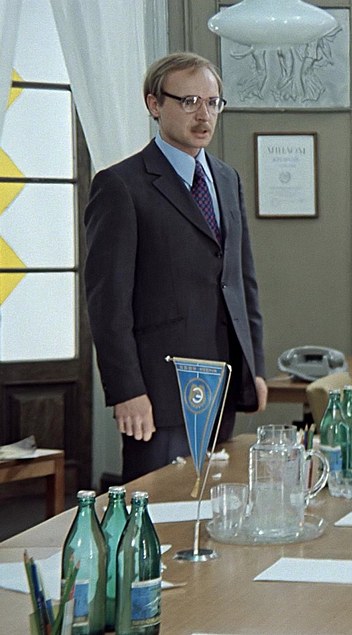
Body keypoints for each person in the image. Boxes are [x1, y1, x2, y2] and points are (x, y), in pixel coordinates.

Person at [85, 52, 267, 482]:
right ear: (154, 104)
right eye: (189, 102)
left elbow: (242, 283)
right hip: (159, 394)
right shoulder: (120, 185)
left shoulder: (227, 179)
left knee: (216, 507)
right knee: (162, 510)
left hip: (224, 383)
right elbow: (108, 304)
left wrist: (255, 367)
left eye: (212, 102)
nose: (204, 115)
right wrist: (127, 390)